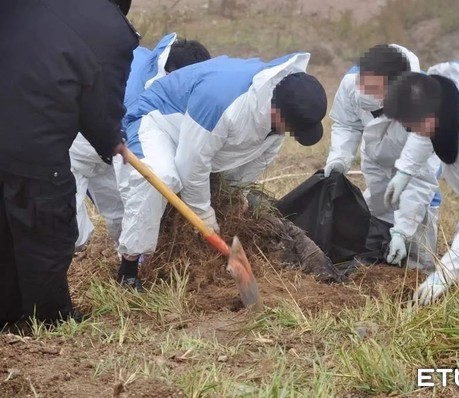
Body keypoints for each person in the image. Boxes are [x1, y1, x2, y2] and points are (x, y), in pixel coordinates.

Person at [115, 52, 327, 290]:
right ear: (276, 112)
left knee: (202, 191)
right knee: (163, 178)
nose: (288, 134)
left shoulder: (279, 114)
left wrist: (234, 196)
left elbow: (257, 158)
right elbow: (191, 163)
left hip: (200, 139)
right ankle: (129, 268)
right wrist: (204, 216)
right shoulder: (221, 100)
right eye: (291, 128)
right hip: (159, 122)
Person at [0, 0, 139, 325]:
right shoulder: (112, 30)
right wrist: (110, 138)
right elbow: (101, 99)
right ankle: (49, 318)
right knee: (48, 229)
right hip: (33, 141)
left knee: (7, 230)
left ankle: (8, 314)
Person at [71, 33, 211, 253]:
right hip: (78, 145)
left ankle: (127, 262)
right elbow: (138, 153)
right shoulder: (136, 87)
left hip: (112, 149)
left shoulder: (153, 65)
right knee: (72, 234)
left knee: (121, 217)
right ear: (173, 72)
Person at [324, 44, 441, 270]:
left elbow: (419, 177)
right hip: (376, 157)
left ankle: (418, 272)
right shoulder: (351, 84)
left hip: (416, 169)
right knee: (379, 209)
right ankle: (379, 259)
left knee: (417, 243)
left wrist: (403, 230)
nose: (366, 93)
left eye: (375, 90)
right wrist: (339, 157)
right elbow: (345, 123)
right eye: (364, 84)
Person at [382, 61, 459, 304]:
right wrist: (405, 171)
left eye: (413, 126)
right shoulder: (441, 106)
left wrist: (444, 274)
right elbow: (423, 136)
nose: (415, 132)